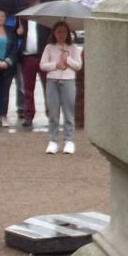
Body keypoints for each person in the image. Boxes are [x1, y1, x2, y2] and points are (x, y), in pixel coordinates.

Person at [40, 20, 82, 155]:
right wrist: (55, 65)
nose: (61, 35)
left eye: (64, 32)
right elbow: (43, 65)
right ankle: (53, 141)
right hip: (52, 81)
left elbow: (78, 66)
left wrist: (66, 59)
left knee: (68, 112)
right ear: (54, 33)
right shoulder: (49, 47)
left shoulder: (73, 47)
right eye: (58, 32)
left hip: (68, 81)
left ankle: (69, 140)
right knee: (53, 112)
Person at [14, 0, 49, 129]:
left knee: (48, 87)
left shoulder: (45, 17)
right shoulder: (22, 17)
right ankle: (28, 115)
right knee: (28, 89)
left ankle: (51, 113)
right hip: (27, 57)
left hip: (43, 56)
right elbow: (15, 33)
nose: (32, 1)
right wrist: (19, 32)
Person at [0, 9, 19, 128]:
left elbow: (15, 49)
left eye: (2, 16)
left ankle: (4, 115)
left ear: (5, 19)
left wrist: (7, 62)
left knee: (5, 92)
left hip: (8, 67)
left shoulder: (10, 31)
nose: (0, 18)